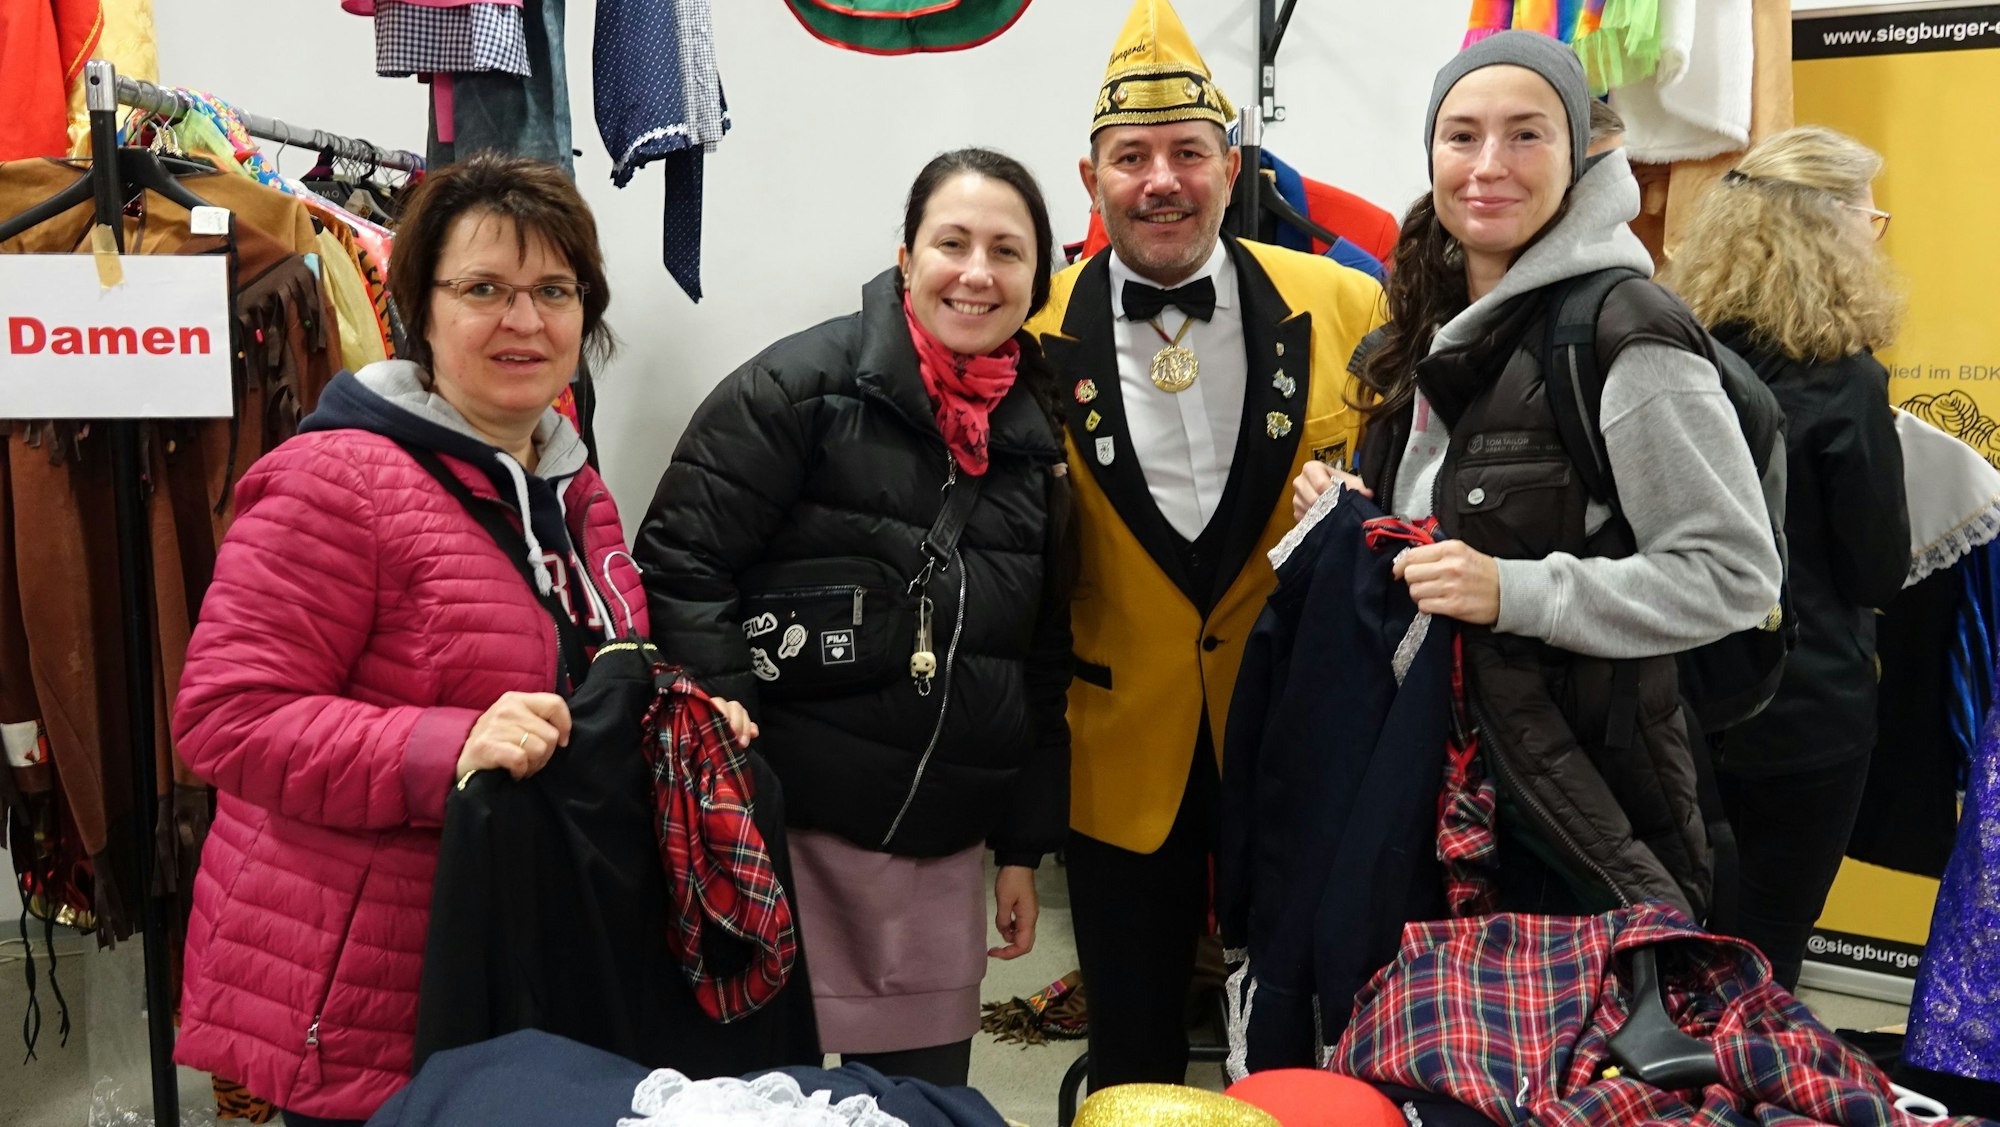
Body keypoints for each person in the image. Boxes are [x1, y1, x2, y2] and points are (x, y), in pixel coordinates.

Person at [169, 154, 751, 1127]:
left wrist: (675, 713)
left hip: (529, 958)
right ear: (419, 309)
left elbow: (586, 672)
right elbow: (227, 719)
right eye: (484, 288)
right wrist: (447, 747)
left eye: (553, 291)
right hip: (376, 994)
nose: (524, 321)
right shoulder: (335, 482)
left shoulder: (574, 485)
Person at [1296, 31, 1781, 919]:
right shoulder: (1423, 324)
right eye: (1462, 135)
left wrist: (1513, 590)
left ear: (1577, 155)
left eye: (1526, 135)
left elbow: (1734, 575)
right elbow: (1447, 513)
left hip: (1573, 812)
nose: (1489, 165)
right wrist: (1357, 513)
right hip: (1431, 783)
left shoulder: (1623, 332)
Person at [634, 147, 1071, 1088]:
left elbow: (1038, 658)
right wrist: (735, 730)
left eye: (1008, 250)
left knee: (915, 1104)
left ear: (1039, 279)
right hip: (780, 840)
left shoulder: (1039, 446)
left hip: (937, 855)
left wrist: (1023, 848)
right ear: (905, 258)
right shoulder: (798, 391)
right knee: (756, 1099)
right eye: (951, 242)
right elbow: (679, 557)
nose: (978, 271)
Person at [1024, 0, 1385, 1088]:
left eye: (1186, 152)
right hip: (1116, 744)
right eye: (1129, 157)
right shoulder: (1029, 337)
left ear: (1231, 167)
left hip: (1296, 733)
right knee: (1132, 1041)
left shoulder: (1347, 302)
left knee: (1307, 1015)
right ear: (1088, 179)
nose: (1160, 180)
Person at [1658, 126, 1909, 989]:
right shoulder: (1843, 380)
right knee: (1766, 958)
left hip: (1679, 697)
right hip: (1805, 703)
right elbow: (1877, 569)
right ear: (1829, 224)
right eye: (1869, 218)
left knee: (1680, 943)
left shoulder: (1672, 356)